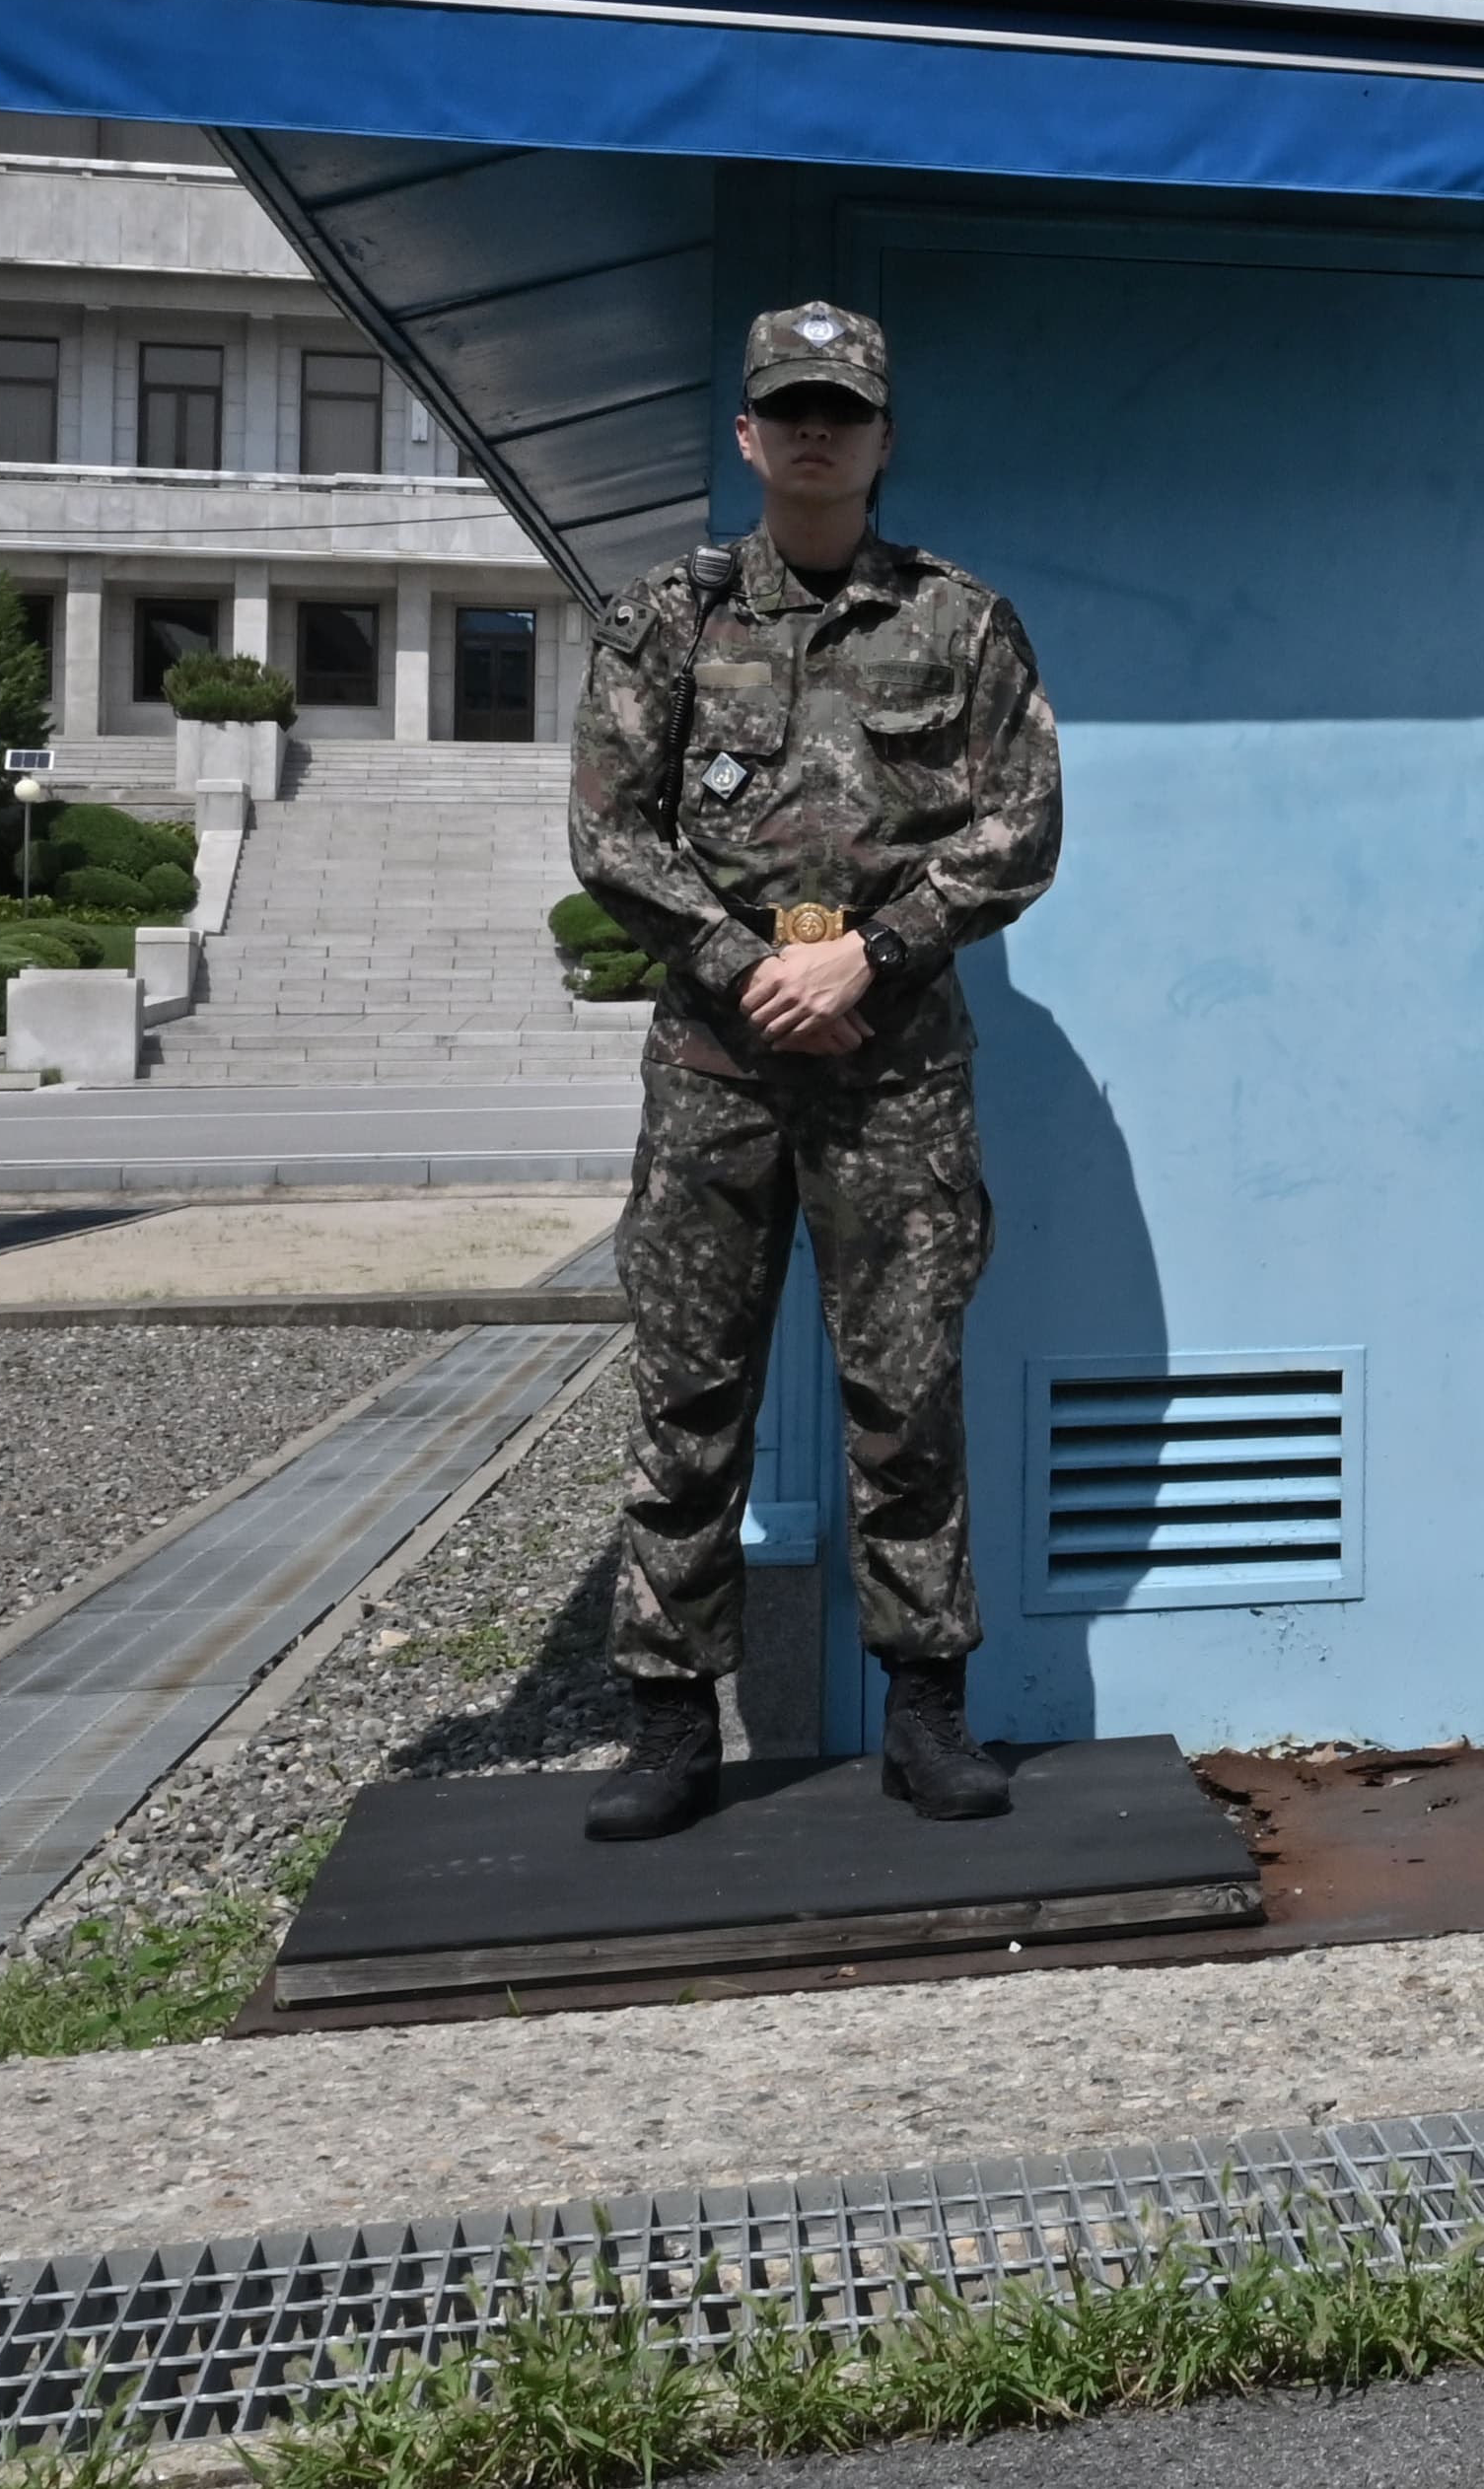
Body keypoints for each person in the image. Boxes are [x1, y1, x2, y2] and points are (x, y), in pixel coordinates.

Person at [568, 300, 1065, 1838]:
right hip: (717, 1061)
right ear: (746, 434)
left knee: (906, 1394)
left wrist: (873, 953)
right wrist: (750, 969)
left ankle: (928, 1709)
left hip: (896, 1061)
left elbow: (1020, 822)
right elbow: (611, 830)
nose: (813, 433)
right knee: (686, 1392)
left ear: (882, 437)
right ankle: (667, 1722)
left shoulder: (961, 620)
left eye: (840, 410)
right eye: (786, 408)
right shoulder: (667, 617)